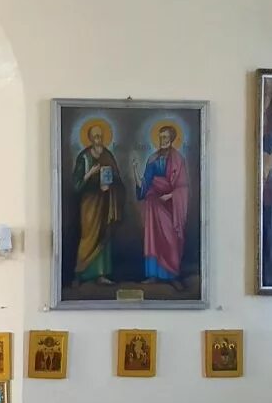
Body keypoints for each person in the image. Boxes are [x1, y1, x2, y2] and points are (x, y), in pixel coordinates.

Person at [133, 124, 190, 287]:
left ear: (172, 139)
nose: (162, 140)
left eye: (165, 137)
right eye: (160, 137)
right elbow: (144, 185)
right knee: (153, 239)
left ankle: (172, 275)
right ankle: (153, 275)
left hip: (170, 205)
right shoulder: (152, 159)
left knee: (170, 238)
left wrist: (170, 195)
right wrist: (135, 170)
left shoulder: (178, 160)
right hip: (153, 204)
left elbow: (183, 187)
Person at [72, 121, 124, 285]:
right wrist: (90, 173)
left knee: (103, 236)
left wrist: (110, 186)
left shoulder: (107, 155)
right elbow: (76, 184)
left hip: (105, 202)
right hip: (89, 202)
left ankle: (101, 274)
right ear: (89, 138)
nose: (98, 138)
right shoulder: (84, 157)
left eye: (100, 136)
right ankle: (82, 272)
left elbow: (117, 178)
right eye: (95, 136)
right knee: (88, 236)